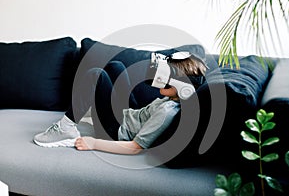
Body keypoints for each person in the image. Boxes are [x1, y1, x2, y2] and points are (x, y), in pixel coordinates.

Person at [33, 52, 208, 155]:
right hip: (129, 116)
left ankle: (66, 128)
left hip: (114, 130)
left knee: (97, 75)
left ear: (184, 88)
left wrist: (93, 143)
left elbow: (135, 147)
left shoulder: (167, 112)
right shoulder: (172, 99)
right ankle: (86, 109)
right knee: (116, 66)